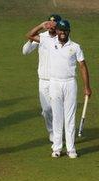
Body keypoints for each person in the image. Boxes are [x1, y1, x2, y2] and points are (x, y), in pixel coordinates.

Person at [26, 19, 91, 158]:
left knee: (70, 117)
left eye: (65, 30)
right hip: (54, 82)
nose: (62, 33)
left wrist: (87, 87)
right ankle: (56, 148)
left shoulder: (75, 47)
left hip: (70, 83)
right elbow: (30, 36)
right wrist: (41, 26)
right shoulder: (49, 42)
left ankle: (71, 149)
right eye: (60, 30)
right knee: (57, 117)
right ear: (57, 31)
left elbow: (83, 66)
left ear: (68, 32)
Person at [21, 14, 62, 142]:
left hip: (57, 79)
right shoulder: (42, 37)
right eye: (49, 23)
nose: (50, 26)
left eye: (54, 24)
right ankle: (51, 131)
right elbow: (25, 51)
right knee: (46, 109)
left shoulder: (62, 38)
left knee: (56, 109)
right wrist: (38, 29)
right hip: (43, 80)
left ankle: (57, 133)